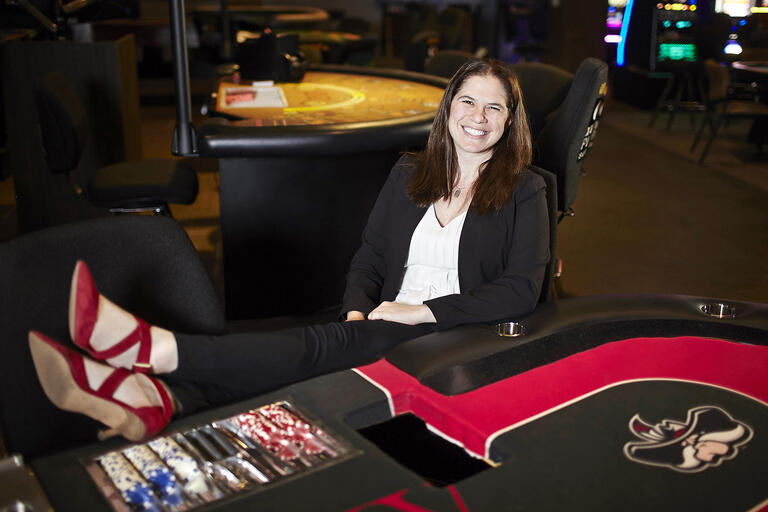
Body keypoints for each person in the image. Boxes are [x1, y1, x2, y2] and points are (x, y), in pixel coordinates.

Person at [28, 58, 550, 443]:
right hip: (380, 321)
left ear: (510, 121)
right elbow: (369, 257)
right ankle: (163, 399)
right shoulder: (409, 172)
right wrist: (356, 310)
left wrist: (420, 312)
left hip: (453, 335)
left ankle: (157, 353)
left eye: (494, 107)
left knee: (311, 348)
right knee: (306, 354)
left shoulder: (526, 190)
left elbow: (520, 289)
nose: (479, 116)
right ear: (449, 107)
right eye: (468, 101)